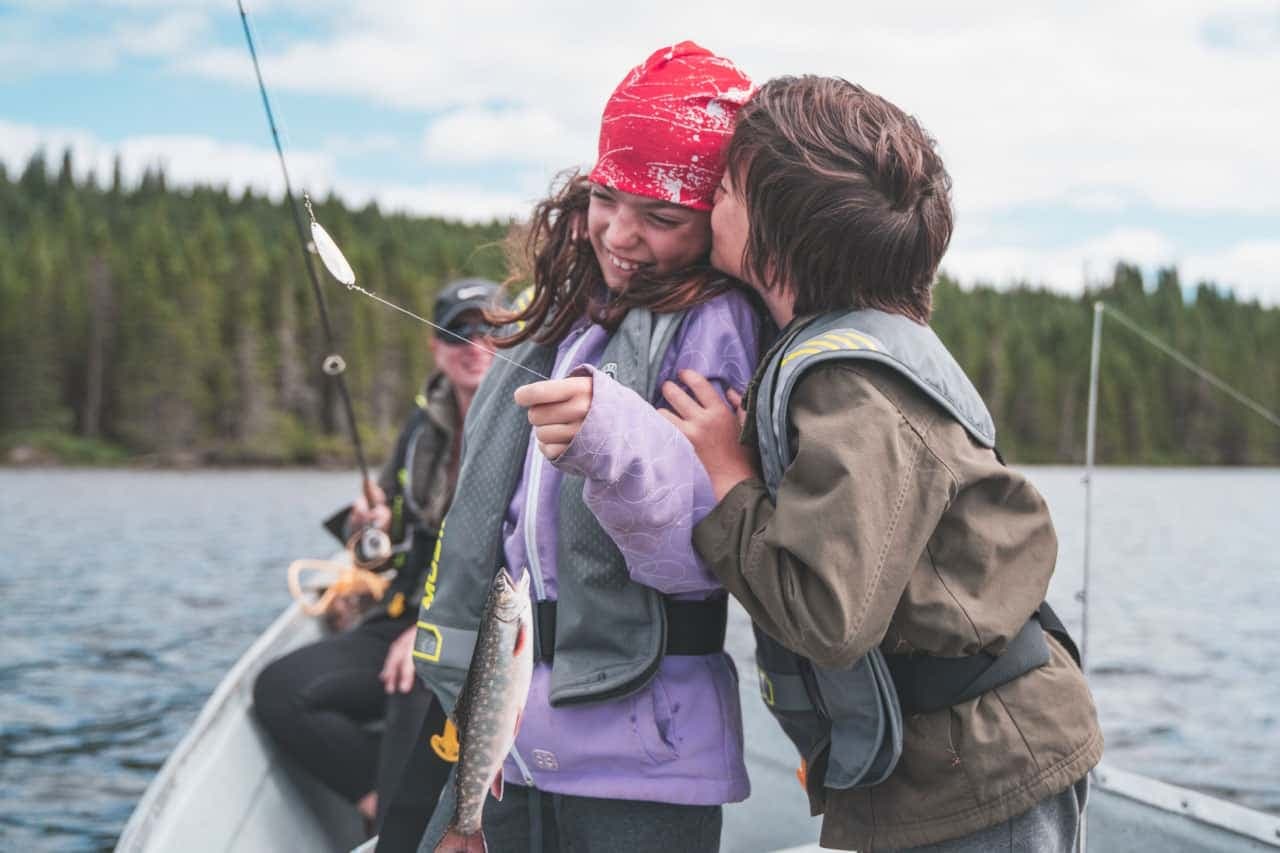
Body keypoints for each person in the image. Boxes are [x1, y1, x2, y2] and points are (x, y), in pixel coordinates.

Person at [663, 76, 1103, 852]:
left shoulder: (851, 386)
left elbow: (830, 616)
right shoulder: (847, 350)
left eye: (725, 190)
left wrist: (727, 478)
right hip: (934, 765)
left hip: (980, 775)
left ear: (777, 234)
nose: (709, 206)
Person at [413, 42, 760, 853]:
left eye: (663, 217)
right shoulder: (565, 310)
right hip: (508, 739)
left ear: (717, 220)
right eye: (608, 197)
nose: (623, 234)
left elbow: (699, 557)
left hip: (642, 756)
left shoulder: (717, 326)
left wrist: (615, 439)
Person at [253, 277, 499, 849]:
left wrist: (428, 630)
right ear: (436, 347)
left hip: (480, 631)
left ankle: (401, 826)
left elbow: (518, 559)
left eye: (491, 328)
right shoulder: (422, 425)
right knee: (280, 691)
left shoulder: (525, 418)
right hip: (404, 614)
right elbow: (385, 519)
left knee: (417, 680)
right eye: (459, 331)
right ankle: (380, 807)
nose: (475, 343)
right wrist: (371, 526)